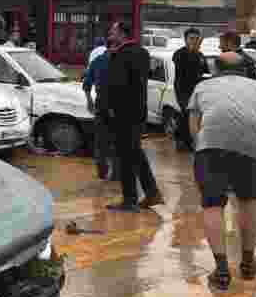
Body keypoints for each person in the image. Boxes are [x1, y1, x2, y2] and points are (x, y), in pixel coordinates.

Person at [188, 51, 256, 291]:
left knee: (212, 205)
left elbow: (194, 125)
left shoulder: (202, 87)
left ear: (215, 69)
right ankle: (247, 262)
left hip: (211, 146)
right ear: (245, 69)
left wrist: (200, 146)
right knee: (249, 201)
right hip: (253, 147)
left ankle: (221, 270)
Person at [105, 21, 163, 211]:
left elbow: (117, 87)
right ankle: (152, 193)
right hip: (138, 113)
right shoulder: (142, 53)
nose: (110, 35)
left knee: (126, 157)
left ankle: (130, 200)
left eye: (113, 32)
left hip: (123, 114)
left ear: (122, 34)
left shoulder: (120, 55)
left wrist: (110, 109)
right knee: (135, 154)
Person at [83, 35, 114, 181]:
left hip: (100, 105)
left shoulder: (97, 60)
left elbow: (87, 84)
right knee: (116, 141)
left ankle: (102, 173)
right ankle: (116, 174)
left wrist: (89, 101)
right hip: (117, 107)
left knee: (101, 142)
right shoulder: (120, 62)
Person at [172, 28, 208, 152]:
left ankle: (188, 140)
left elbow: (205, 72)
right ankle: (183, 141)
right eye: (191, 38)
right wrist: (194, 52)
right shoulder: (179, 54)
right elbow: (186, 68)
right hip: (183, 90)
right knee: (187, 112)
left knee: (195, 116)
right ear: (185, 39)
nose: (194, 41)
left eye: (197, 38)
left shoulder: (201, 55)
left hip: (198, 90)